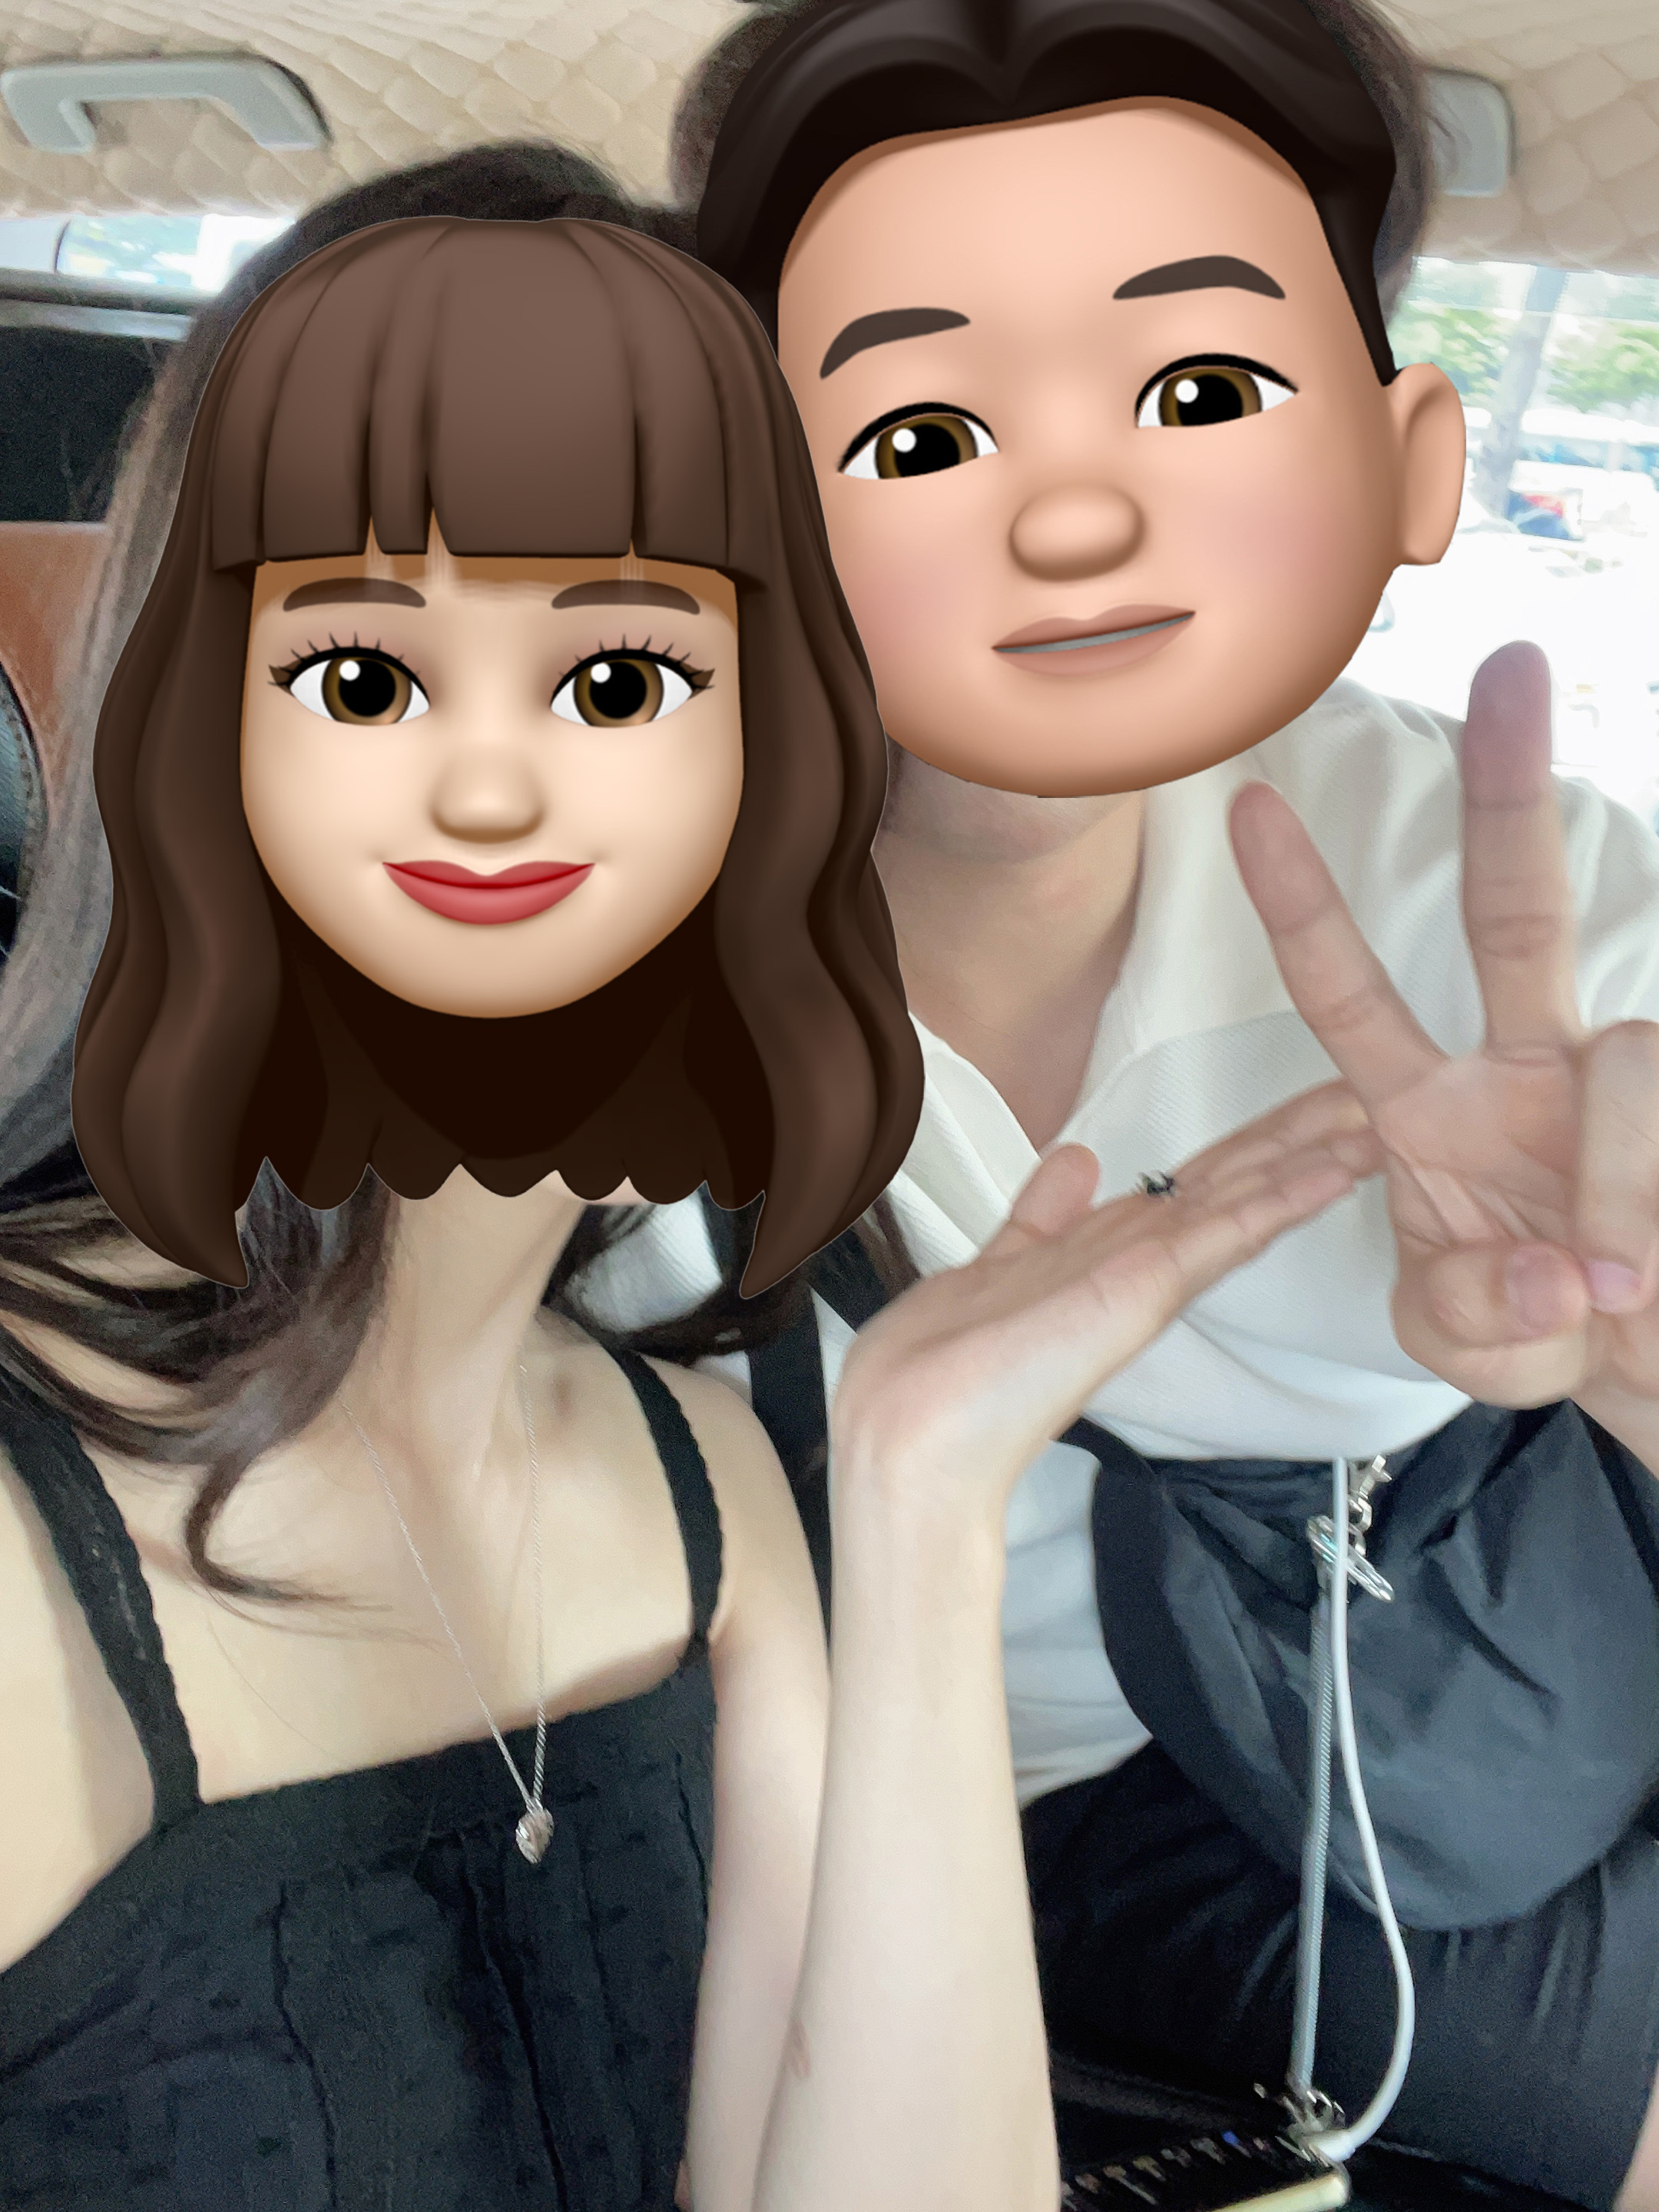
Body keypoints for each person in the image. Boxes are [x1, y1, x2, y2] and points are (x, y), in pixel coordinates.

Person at [0, 199, 1381, 2212]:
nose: (491, 791)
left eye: (627, 677)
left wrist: (924, 1507)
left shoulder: (711, 1485)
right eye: (363, 677)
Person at [547, 2, 1659, 2203]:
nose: (1067, 520)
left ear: (1399, 462)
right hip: (989, 1795)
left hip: (1500, 1659)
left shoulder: (1512, 892)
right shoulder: (562, 945)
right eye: (919, 429)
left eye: (1204, 394)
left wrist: (1630, 1355)